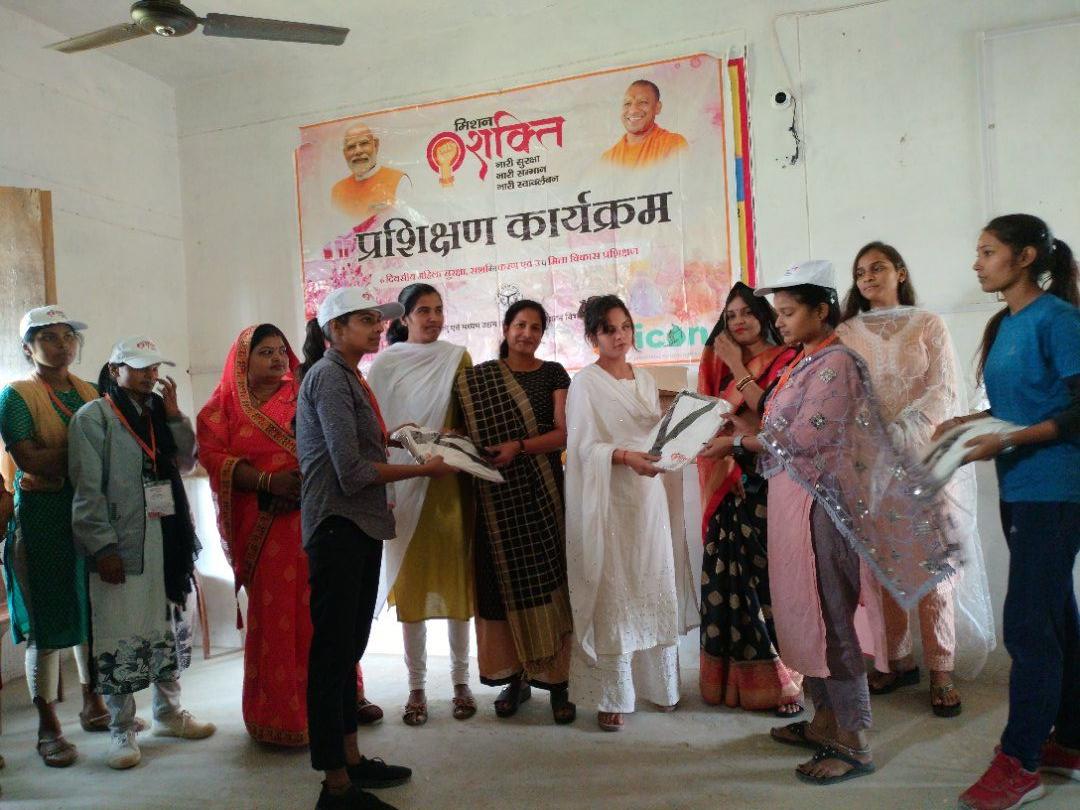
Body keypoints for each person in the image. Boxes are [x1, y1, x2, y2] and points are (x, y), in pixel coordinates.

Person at [701, 260, 956, 785]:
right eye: (778, 312)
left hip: (824, 508)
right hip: (793, 505)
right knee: (803, 617)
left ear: (822, 311)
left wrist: (738, 442)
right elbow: (779, 421)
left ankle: (855, 740)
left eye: (789, 312)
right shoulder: (806, 360)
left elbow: (807, 437)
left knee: (831, 620)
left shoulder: (837, 362)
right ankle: (823, 720)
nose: (780, 321)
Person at [297, 286, 454, 809]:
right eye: (364, 319)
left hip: (358, 526)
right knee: (332, 657)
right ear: (334, 329)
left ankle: (352, 760)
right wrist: (423, 470)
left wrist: (396, 437)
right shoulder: (328, 377)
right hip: (338, 527)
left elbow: (353, 446)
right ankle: (335, 787)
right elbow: (350, 471)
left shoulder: (350, 375)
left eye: (376, 319)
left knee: (347, 652)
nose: (376, 327)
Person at [948, 215, 1079, 810]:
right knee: (1055, 616)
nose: (977, 264)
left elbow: (1076, 412)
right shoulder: (1005, 323)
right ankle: (1070, 741)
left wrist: (1008, 440)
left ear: (1025, 257)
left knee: (1027, 625)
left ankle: (1019, 761)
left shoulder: (1060, 320)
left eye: (988, 252)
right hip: (1020, 486)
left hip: (1057, 489)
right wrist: (969, 423)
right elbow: (1018, 406)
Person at [197, 325, 382, 747]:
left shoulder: (305, 390)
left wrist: (301, 483)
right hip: (265, 527)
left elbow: (335, 438)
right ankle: (280, 715)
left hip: (316, 517)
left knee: (329, 614)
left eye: (281, 350)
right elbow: (214, 458)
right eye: (265, 352)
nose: (278, 358)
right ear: (243, 360)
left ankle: (345, 699)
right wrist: (267, 482)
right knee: (279, 618)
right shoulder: (220, 409)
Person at [836, 242, 995, 718]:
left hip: (924, 460)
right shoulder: (846, 331)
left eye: (877, 268)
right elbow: (843, 391)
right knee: (882, 565)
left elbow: (943, 388)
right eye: (860, 272)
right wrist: (874, 434)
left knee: (933, 566)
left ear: (900, 272)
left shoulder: (928, 323)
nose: (868, 278)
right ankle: (897, 660)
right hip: (871, 462)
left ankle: (941, 669)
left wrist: (905, 426)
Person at [68, 336, 215, 770]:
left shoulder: (158, 414)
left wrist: (175, 416)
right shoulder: (93, 418)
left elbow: (187, 462)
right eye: (139, 367)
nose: (150, 375)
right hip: (122, 541)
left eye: (154, 367)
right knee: (121, 632)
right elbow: (87, 490)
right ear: (115, 371)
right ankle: (121, 728)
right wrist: (102, 546)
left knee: (168, 624)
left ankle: (169, 713)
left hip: (167, 536)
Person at [565, 295, 697, 732]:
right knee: (613, 588)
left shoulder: (645, 380)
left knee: (651, 580)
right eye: (608, 329)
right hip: (608, 500)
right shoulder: (585, 384)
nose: (619, 336)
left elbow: (656, 437)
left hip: (647, 498)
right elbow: (582, 449)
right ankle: (613, 695)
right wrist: (624, 457)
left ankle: (660, 687)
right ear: (593, 336)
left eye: (625, 327)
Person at [456, 300, 575, 724]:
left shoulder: (553, 373)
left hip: (542, 493)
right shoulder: (477, 380)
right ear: (506, 328)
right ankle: (515, 679)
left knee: (548, 581)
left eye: (535, 327)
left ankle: (558, 683)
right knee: (502, 587)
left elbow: (562, 435)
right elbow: (465, 434)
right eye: (520, 325)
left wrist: (519, 447)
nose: (527, 333)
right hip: (495, 499)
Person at [0, 306, 109, 768]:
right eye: (48, 337)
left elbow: (109, 449)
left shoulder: (90, 391)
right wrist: (86, 459)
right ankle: (48, 725)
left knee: (90, 608)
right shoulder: (16, 395)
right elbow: (29, 459)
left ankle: (93, 700)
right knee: (47, 619)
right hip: (42, 517)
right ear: (28, 348)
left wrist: (72, 459)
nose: (62, 345)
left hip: (86, 512)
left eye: (68, 336)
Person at [367, 283, 475, 727]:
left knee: (456, 585)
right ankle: (416, 688)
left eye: (439, 310)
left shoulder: (458, 358)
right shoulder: (386, 364)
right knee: (411, 589)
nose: (433, 318)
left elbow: (471, 420)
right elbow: (374, 428)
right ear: (405, 318)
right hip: (405, 484)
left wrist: (455, 440)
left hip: (449, 486)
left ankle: (462, 683)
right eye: (424, 310)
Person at [695, 283, 801, 714]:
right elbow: (714, 422)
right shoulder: (718, 370)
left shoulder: (788, 360)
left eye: (747, 312)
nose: (738, 321)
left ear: (764, 316)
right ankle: (731, 684)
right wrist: (729, 451)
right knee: (727, 585)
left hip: (769, 484)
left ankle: (785, 683)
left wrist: (738, 367)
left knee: (770, 586)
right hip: (729, 484)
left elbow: (773, 420)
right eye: (731, 315)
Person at [330, 123, 407, 226]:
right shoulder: (337, 191)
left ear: (375, 145)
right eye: (351, 147)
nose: (358, 151)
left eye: (364, 143)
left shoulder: (399, 180)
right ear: (345, 153)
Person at [601, 80, 688, 169]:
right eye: (627, 103)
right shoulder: (608, 158)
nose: (633, 110)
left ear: (657, 107)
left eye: (642, 102)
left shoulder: (673, 145)